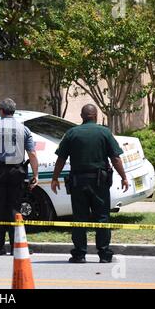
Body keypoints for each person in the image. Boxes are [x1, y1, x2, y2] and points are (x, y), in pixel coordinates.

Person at [51, 104, 129, 263]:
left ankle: (79, 254)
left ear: (82, 116)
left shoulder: (71, 133)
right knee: (102, 217)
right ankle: (104, 254)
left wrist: (55, 178)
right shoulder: (104, 132)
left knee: (80, 218)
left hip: (78, 182)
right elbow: (115, 158)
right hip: (99, 182)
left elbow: (61, 158)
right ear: (96, 116)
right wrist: (124, 177)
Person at [0, 98, 39, 255]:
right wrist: (35, 174)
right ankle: (16, 245)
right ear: (14, 111)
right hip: (17, 174)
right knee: (15, 209)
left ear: (1, 111)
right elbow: (32, 153)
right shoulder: (24, 129)